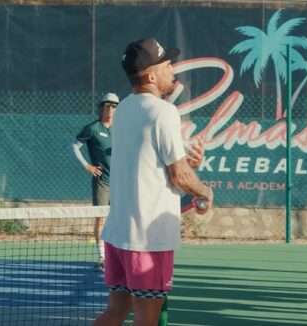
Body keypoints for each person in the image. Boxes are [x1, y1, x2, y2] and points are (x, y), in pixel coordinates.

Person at [93, 38, 213, 326]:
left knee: (115, 312)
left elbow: (152, 164)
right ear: (150, 76)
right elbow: (179, 176)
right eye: (166, 65)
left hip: (118, 236)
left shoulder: (123, 111)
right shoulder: (164, 112)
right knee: (148, 319)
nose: (173, 69)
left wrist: (188, 165)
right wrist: (206, 191)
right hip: (148, 240)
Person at [72, 92, 120, 267]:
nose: (110, 109)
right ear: (101, 108)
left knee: (119, 219)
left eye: (114, 106)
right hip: (102, 181)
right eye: (107, 105)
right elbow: (75, 146)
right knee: (101, 218)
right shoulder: (93, 128)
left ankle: (116, 255)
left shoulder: (122, 128)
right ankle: (102, 257)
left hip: (121, 183)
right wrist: (87, 165)